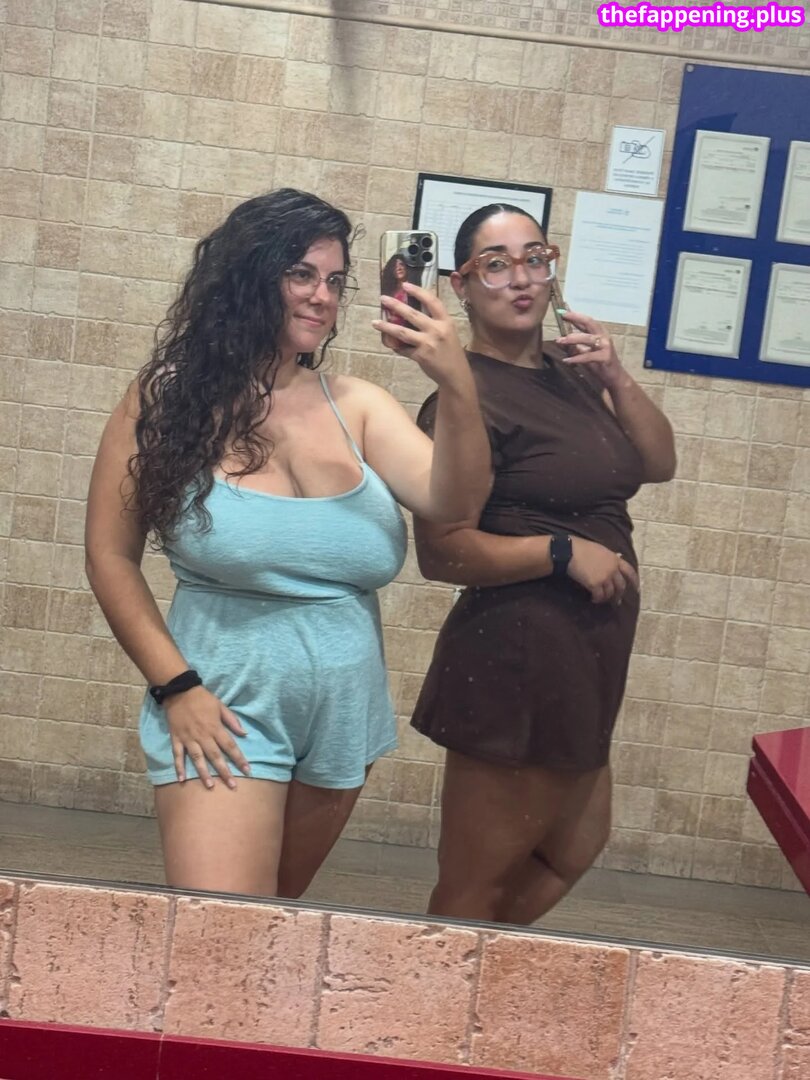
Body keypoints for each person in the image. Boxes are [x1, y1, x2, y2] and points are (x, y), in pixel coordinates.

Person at [85, 188, 491, 899]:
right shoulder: (166, 399)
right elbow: (109, 556)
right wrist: (176, 688)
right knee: (221, 928)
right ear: (248, 274)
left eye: (335, 280)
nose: (322, 297)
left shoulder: (358, 404)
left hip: (343, 715)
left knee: (272, 920)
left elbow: (455, 501)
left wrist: (455, 381)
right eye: (301, 274)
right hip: (222, 706)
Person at [411, 203, 676, 924]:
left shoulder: (573, 370)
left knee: (572, 846)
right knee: (475, 882)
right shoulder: (463, 396)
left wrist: (616, 376)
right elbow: (442, 551)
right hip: (517, 660)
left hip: (584, 660)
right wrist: (560, 552)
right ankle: (440, 978)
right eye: (497, 265)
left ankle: (477, 968)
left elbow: (658, 461)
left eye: (535, 257)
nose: (523, 278)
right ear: (462, 286)